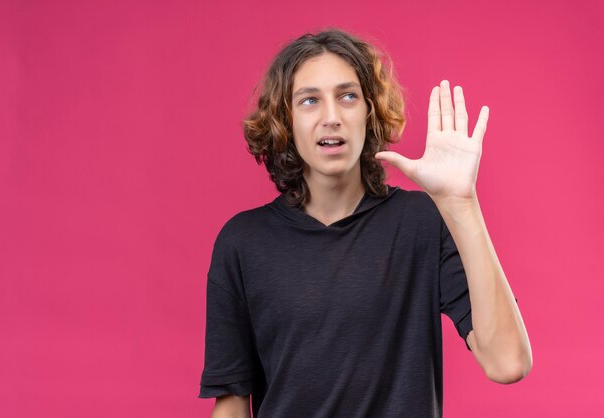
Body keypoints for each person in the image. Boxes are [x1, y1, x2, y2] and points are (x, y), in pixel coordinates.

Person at [198, 28, 532, 418]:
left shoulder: (421, 222)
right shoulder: (243, 243)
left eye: (348, 96)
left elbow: (507, 363)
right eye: (309, 101)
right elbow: (232, 403)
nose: (332, 117)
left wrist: (461, 204)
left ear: (369, 112)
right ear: (284, 120)